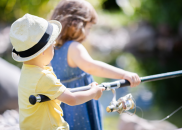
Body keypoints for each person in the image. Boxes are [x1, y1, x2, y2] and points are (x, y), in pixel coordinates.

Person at [50, 0, 141, 130]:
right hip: (79, 106)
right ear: (75, 26)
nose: (89, 33)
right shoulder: (74, 47)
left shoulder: (50, 49)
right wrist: (124, 74)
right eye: (89, 28)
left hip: (60, 105)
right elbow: (92, 67)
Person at [9, 13, 104, 130]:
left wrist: (87, 89)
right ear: (43, 51)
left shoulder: (26, 71)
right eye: (52, 46)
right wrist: (94, 93)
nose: (54, 47)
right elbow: (72, 99)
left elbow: (58, 91)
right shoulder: (43, 77)